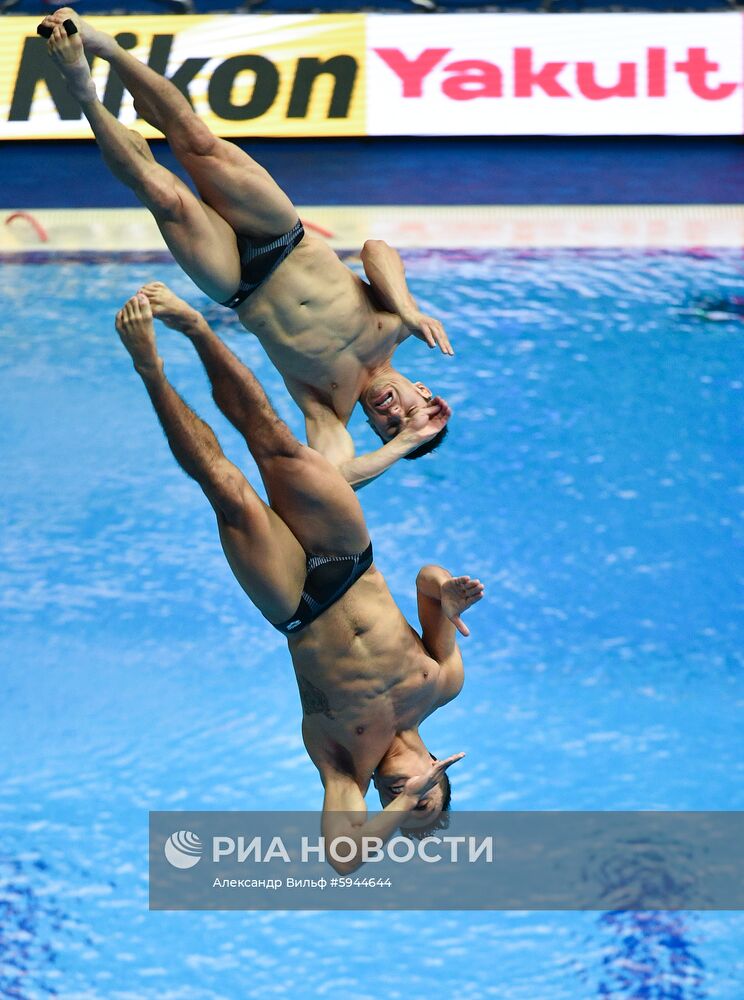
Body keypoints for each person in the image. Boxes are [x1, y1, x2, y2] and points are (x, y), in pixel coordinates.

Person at [115, 290, 483, 872]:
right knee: (274, 442)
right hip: (349, 560)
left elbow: (342, 858)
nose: (400, 793)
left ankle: (150, 369)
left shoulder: (343, 765)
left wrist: (401, 806)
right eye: (420, 793)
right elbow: (428, 578)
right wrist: (449, 592)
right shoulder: (441, 685)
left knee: (229, 493)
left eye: (396, 803)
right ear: (440, 764)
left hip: (295, 601)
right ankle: (196, 329)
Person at [39, 10, 454, 489]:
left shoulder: (328, 408)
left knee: (162, 194)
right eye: (410, 412)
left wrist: (404, 444)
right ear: (423, 390)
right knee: (195, 139)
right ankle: (103, 45)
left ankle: (80, 86)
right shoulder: (398, 325)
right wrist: (409, 310)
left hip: (237, 281)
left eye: (390, 429)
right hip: (283, 235)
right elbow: (375, 249)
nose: (394, 416)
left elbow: (336, 480)